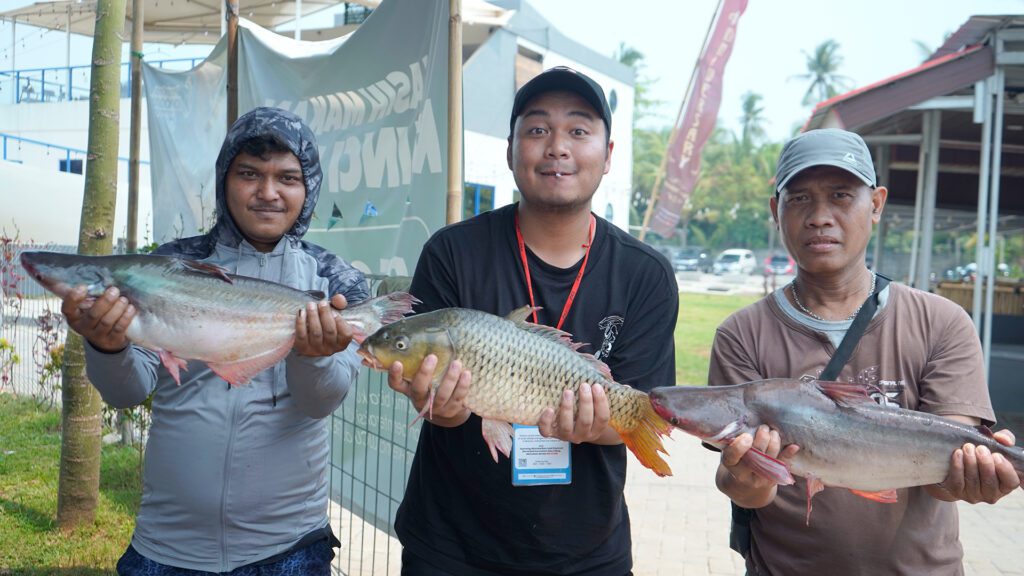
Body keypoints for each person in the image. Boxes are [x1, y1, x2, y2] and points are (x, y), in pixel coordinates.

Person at [382, 66, 679, 575]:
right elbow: (441, 410)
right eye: (537, 129)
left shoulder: (644, 273)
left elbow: (642, 407)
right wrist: (444, 407)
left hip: (585, 554)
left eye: (579, 131)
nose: (557, 147)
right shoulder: (452, 252)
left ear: (607, 156)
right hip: (450, 548)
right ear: (510, 150)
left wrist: (595, 427)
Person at [59, 107, 369, 574]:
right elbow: (127, 391)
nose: (267, 193)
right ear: (225, 180)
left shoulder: (335, 283)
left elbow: (320, 400)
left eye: (287, 177)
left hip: (288, 549)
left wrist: (311, 356)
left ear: (308, 191)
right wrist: (107, 346)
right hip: (166, 545)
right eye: (249, 174)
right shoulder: (171, 267)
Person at [708, 128, 1021, 575]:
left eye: (840, 195)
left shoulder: (941, 322)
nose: (820, 216)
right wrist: (745, 478)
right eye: (799, 199)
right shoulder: (743, 334)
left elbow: (943, 476)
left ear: (875, 205)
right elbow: (744, 487)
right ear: (776, 212)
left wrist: (972, 479)